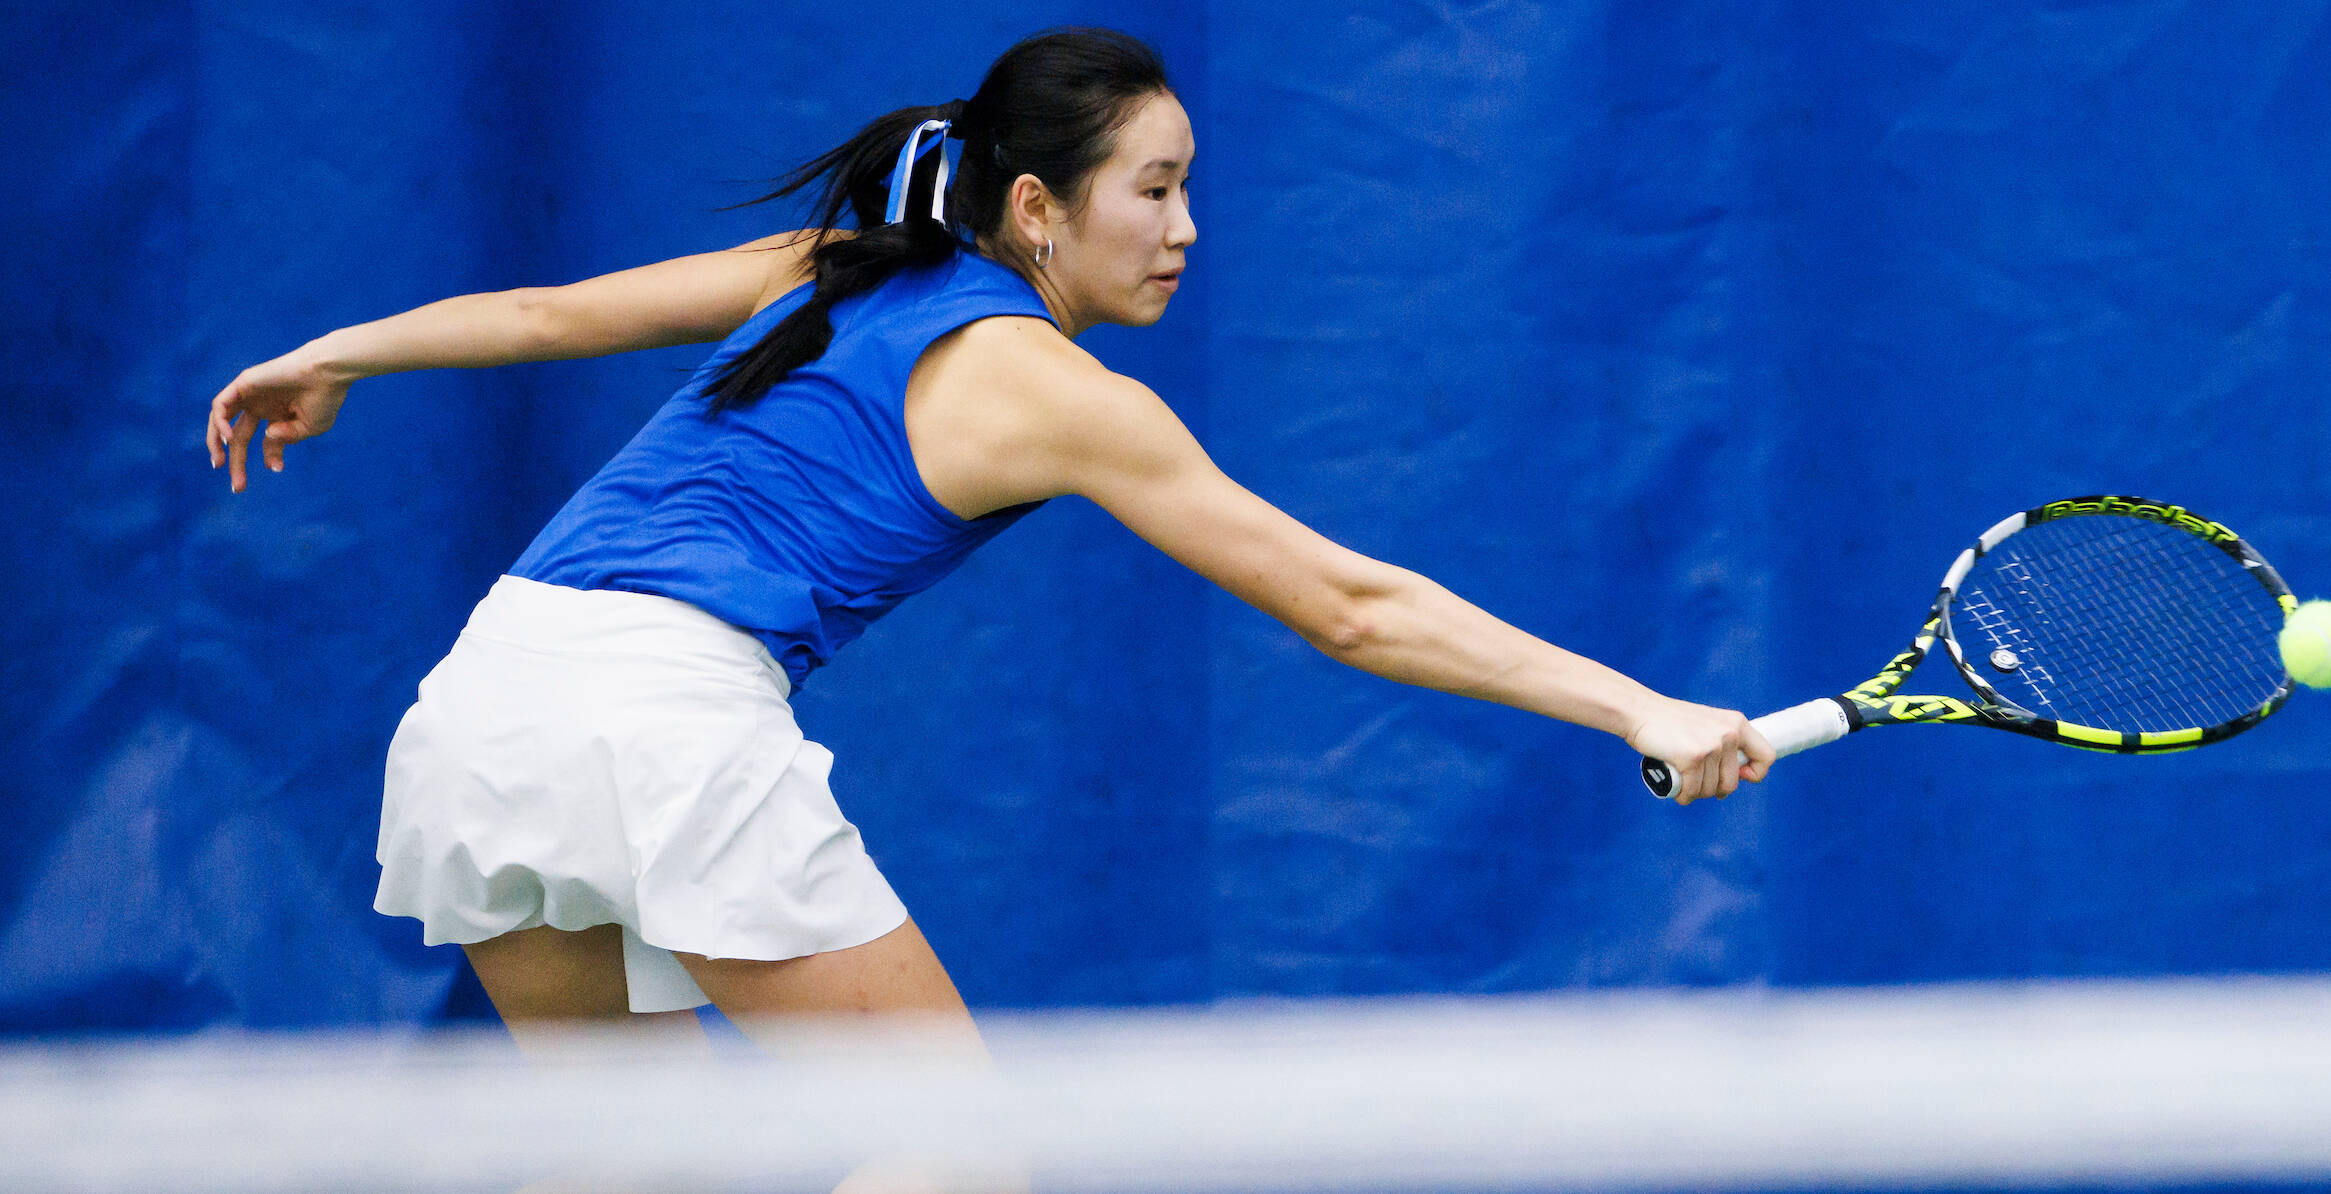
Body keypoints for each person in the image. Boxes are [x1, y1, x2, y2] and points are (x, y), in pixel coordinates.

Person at [207, 21, 1768, 1108]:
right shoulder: (1066, 396)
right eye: (1153, 189)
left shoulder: (830, 270)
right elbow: (1351, 606)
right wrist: (1636, 705)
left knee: (628, 1162)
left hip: (487, 696)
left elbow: (549, 315)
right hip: (663, 711)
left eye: (1188, 187)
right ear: (1037, 206)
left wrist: (336, 350)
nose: (1187, 228)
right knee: (947, 1145)